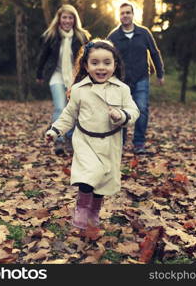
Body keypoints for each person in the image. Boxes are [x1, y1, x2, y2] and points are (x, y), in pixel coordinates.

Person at [45, 39, 139, 229]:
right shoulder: (79, 90)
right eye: (95, 63)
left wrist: (121, 115)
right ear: (86, 66)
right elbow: (69, 114)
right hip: (85, 140)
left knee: (103, 179)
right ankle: (81, 208)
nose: (101, 67)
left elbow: (134, 111)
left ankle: (94, 211)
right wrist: (55, 130)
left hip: (110, 142)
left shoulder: (122, 89)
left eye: (107, 62)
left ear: (115, 64)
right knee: (89, 174)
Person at [107, 2, 165, 154]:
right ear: (119, 16)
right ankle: (121, 142)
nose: (125, 15)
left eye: (128, 12)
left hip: (141, 78)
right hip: (121, 81)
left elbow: (154, 53)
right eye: (122, 13)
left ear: (133, 15)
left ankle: (139, 143)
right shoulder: (113, 36)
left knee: (142, 109)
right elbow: (106, 57)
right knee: (121, 112)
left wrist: (160, 73)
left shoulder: (144, 33)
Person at [36, 4, 90, 155]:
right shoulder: (51, 36)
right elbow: (43, 56)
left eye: (70, 17)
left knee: (73, 109)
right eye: (64, 17)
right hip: (56, 75)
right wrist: (39, 74)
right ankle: (59, 141)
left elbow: (87, 58)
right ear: (59, 19)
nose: (67, 20)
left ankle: (71, 139)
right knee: (60, 108)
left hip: (75, 77)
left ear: (74, 20)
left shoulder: (82, 37)